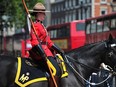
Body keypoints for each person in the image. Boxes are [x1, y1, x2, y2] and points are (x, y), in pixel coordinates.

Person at [29, 2, 65, 87]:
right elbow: (34, 42)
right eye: (43, 13)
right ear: (38, 13)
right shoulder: (35, 25)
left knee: (60, 67)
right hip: (41, 53)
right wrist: (42, 53)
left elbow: (49, 42)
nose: (45, 15)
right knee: (56, 70)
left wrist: (59, 50)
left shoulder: (42, 26)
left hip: (48, 52)